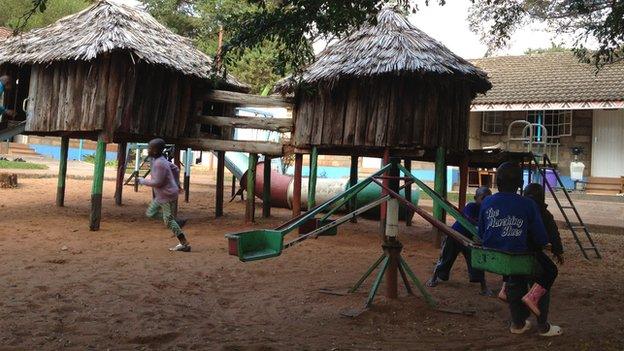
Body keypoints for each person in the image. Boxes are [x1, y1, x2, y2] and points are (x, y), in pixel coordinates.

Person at [478, 162, 562, 337]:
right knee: (544, 275)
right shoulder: (527, 204)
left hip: (495, 255)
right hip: (519, 254)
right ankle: (542, 326)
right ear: (519, 184)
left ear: (497, 181)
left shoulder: (487, 201)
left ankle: (518, 324)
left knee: (515, 280)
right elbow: (540, 238)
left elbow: (481, 232)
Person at [426, 187, 494, 296]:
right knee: (445, 258)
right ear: (476, 198)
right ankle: (434, 277)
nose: (486, 201)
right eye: (484, 198)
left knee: (477, 261)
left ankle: (483, 287)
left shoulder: (488, 211)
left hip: (470, 239)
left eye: (489, 198)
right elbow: (469, 220)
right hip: (455, 235)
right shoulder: (471, 206)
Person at [138, 138, 191, 252]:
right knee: (150, 213)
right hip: (163, 195)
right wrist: (177, 184)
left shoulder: (159, 163)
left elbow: (158, 182)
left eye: (150, 148)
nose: (148, 150)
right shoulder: (161, 160)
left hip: (166, 195)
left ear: (156, 150)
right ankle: (175, 221)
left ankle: (184, 243)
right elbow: (175, 168)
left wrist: (143, 181)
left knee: (168, 221)